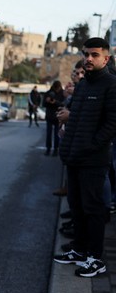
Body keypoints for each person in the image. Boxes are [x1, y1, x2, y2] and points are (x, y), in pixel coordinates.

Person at [54, 38, 116, 277]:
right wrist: (68, 149)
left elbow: (112, 123)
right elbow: (75, 121)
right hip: (74, 156)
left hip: (94, 159)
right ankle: (79, 250)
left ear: (106, 59)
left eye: (94, 55)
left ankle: (95, 258)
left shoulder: (111, 84)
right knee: (77, 206)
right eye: (86, 54)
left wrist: (93, 145)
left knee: (93, 208)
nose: (88, 59)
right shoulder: (82, 86)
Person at [43, 81, 64, 156]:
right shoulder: (48, 93)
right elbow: (43, 104)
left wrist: (55, 102)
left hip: (58, 116)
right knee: (49, 133)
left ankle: (55, 149)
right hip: (49, 116)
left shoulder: (62, 93)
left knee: (56, 134)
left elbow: (63, 104)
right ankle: (48, 148)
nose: (57, 90)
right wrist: (47, 101)